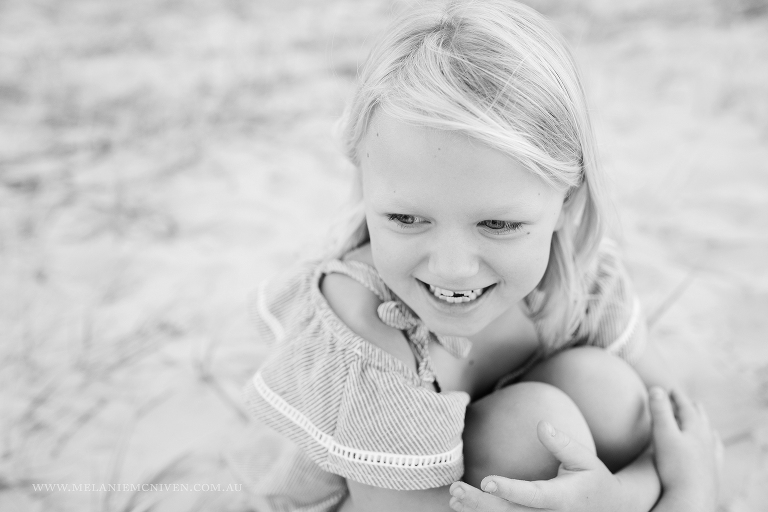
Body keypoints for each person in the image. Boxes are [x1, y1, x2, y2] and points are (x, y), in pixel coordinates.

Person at [239, 1, 722, 511]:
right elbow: (685, 472)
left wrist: (633, 491)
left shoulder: (581, 279)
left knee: (612, 394)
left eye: (498, 224)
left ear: (566, 204)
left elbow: (686, 438)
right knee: (537, 426)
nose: (451, 268)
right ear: (365, 183)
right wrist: (669, 495)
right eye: (406, 219)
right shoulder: (366, 329)